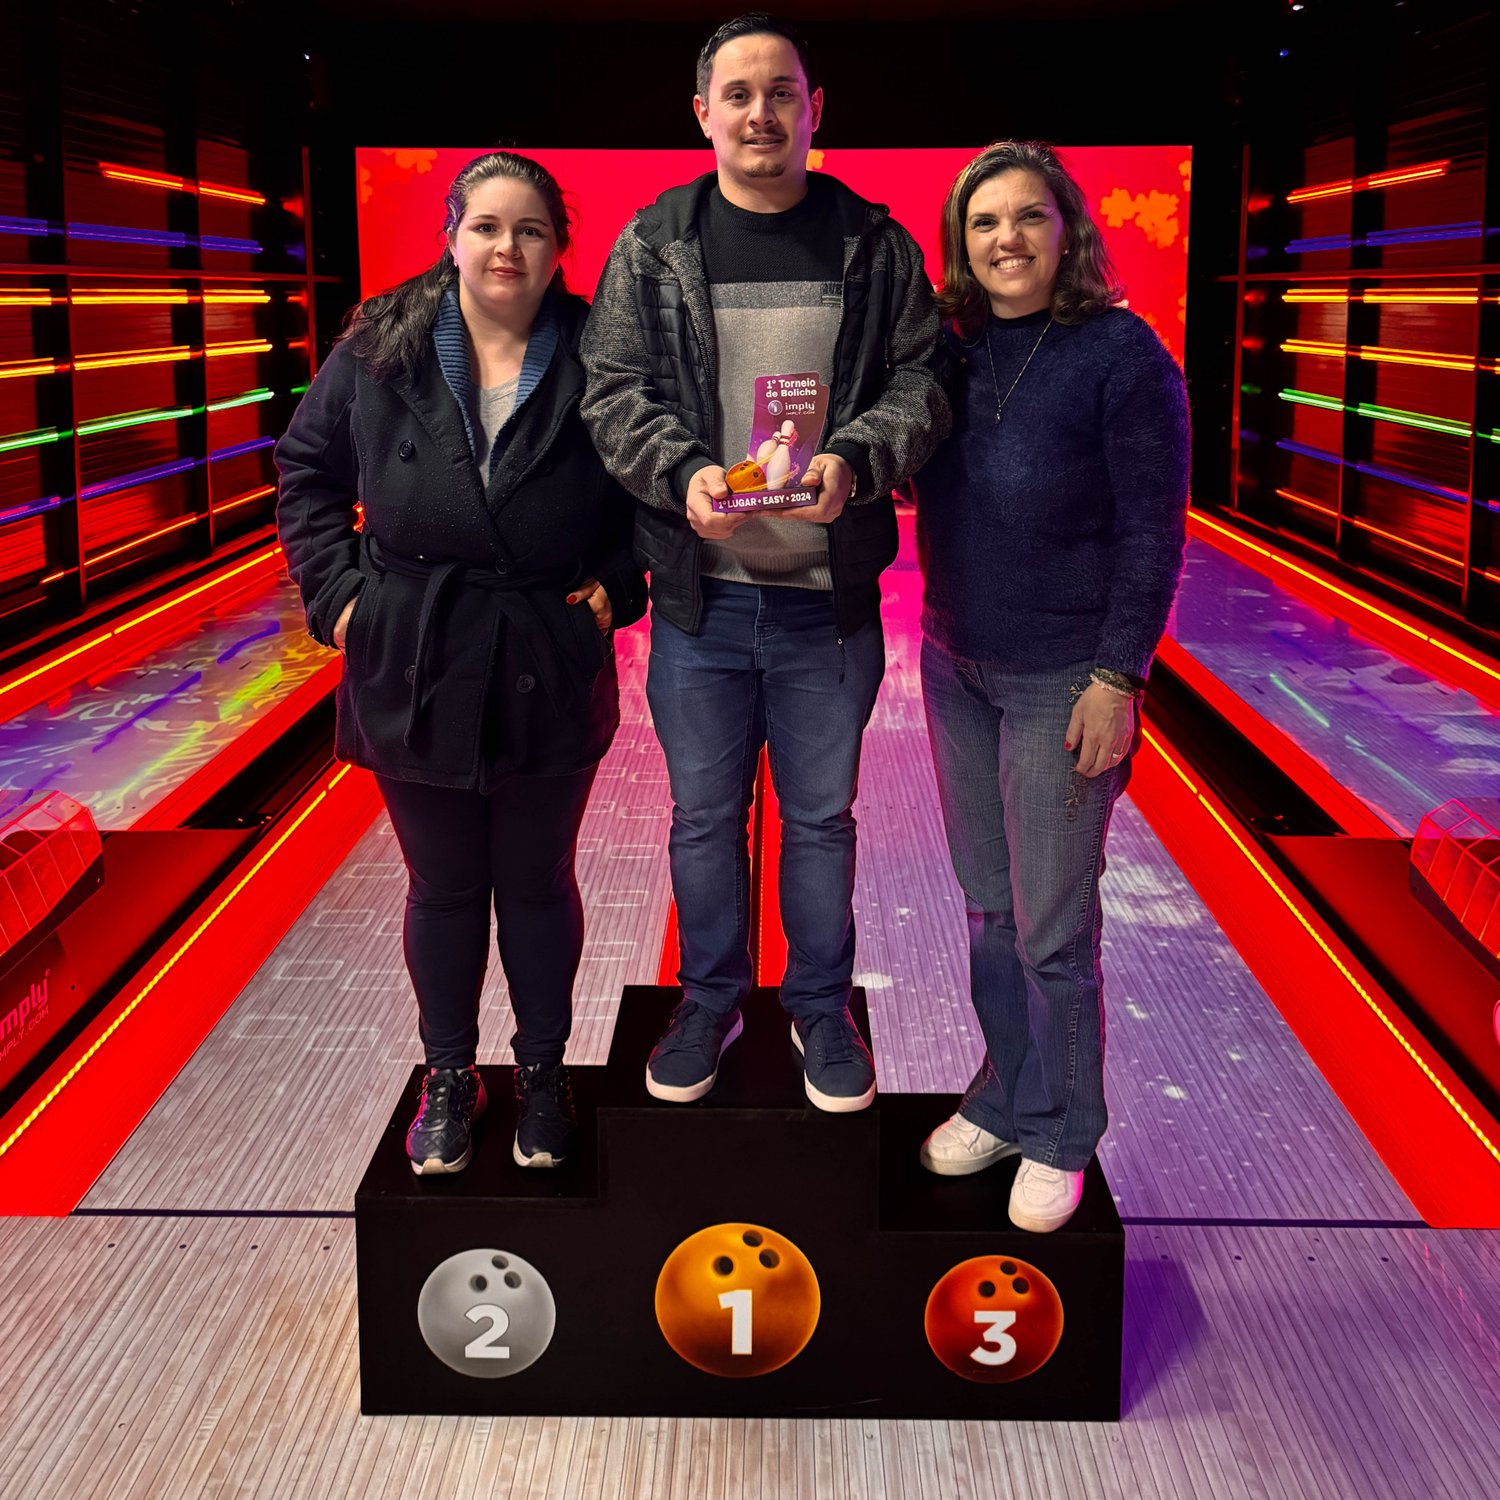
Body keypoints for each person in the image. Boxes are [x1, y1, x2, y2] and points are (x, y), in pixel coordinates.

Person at [580, 13, 948, 1112]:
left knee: (821, 822)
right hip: (701, 605)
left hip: (825, 609)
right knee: (703, 820)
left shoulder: (874, 246)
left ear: (814, 108)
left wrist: (855, 460)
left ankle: (821, 1008)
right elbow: (613, 389)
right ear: (702, 114)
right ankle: (709, 1001)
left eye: (780, 92)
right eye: (737, 95)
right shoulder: (653, 245)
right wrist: (684, 472)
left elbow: (922, 382)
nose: (760, 113)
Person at [275, 151, 647, 1175]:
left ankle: (541, 1073)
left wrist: (622, 582)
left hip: (544, 649)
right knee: (442, 887)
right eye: (486, 226)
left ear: (559, 247)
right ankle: (449, 1074)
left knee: (536, 882)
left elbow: (648, 485)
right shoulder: (381, 348)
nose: (506, 247)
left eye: (530, 229)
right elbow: (306, 470)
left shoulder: (600, 352)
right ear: (451, 238)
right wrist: (341, 597)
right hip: (414, 651)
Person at [905, 140, 1189, 1231]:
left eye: (1029, 216)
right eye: (984, 223)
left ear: (1067, 231)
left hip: (1064, 677)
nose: (1007, 239)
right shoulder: (953, 351)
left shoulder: (1121, 354)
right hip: (956, 664)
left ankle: (1063, 1133)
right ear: (962, 244)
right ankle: (1007, 1096)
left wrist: (1119, 675)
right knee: (989, 911)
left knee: (1051, 929)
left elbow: (1153, 531)